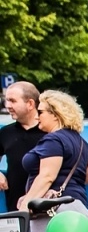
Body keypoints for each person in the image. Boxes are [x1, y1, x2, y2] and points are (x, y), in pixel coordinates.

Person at [20, 90, 88, 232]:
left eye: (40, 112)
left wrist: (25, 204)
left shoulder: (53, 140)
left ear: (56, 114)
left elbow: (47, 176)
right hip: (78, 207)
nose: (36, 117)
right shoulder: (82, 143)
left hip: (53, 212)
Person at [1, 81, 44, 214]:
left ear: (30, 104)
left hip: (47, 208)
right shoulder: (6, 133)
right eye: (6, 100)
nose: (7, 106)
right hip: (15, 209)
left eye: (13, 101)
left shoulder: (50, 132)